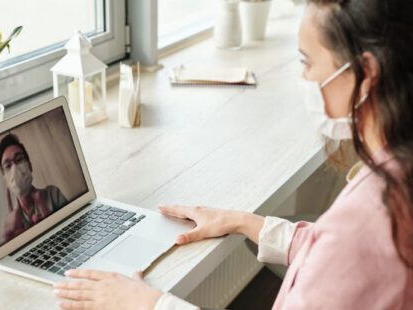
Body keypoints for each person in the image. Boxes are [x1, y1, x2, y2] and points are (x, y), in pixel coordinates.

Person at [53, 0, 413, 308]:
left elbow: (347, 248)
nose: (303, 77)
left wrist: (148, 302)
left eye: (307, 62)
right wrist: (244, 222)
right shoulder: (396, 170)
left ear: (365, 74)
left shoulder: (372, 216)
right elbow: (339, 260)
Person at [0, 133, 68, 243]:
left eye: (19, 159)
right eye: (8, 166)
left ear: (30, 166)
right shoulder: (11, 223)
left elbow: (72, 230)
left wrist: (49, 220)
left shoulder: (53, 194)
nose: (15, 169)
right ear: (5, 178)